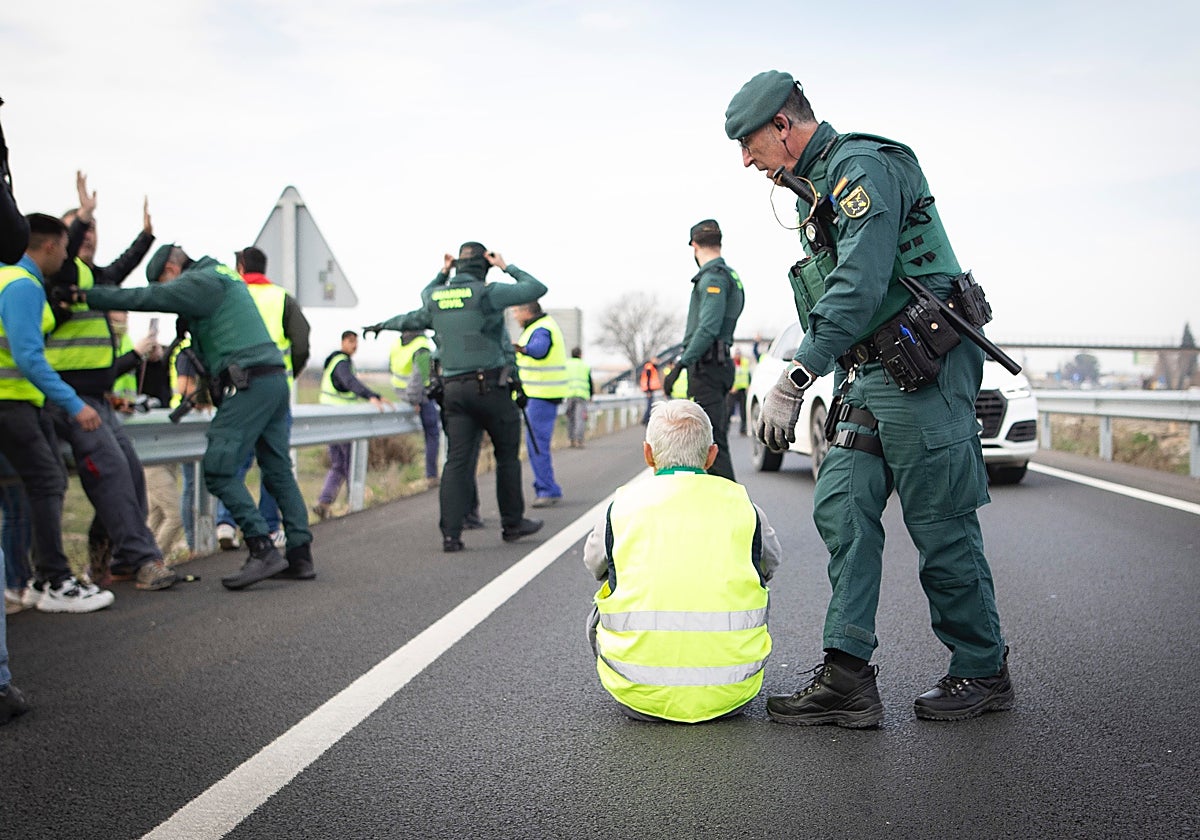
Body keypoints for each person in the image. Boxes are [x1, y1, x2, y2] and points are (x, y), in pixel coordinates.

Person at [726, 70, 1012, 724]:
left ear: (782, 126)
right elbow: (835, 301)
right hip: (868, 370)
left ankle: (982, 667)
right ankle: (847, 674)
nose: (745, 159)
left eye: (749, 143)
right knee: (842, 501)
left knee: (939, 520)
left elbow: (858, 283)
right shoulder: (810, 192)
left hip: (923, 363)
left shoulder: (863, 168)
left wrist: (796, 377)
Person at [82, 243, 318, 589]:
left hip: (248, 382)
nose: (168, 291)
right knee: (278, 469)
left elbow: (144, 298)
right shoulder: (222, 275)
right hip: (273, 380)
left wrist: (85, 296)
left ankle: (261, 546)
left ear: (171, 271)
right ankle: (300, 556)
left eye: (165, 283)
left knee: (218, 470)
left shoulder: (199, 282)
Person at [583, 400, 780, 723]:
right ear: (712, 455)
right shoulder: (745, 507)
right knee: (755, 581)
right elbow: (771, 565)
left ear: (648, 454)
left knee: (608, 588)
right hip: (733, 694)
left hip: (636, 694)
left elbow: (594, 565)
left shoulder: (620, 508)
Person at [365, 242, 546, 553]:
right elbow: (535, 288)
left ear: (456, 267)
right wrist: (505, 266)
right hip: (491, 388)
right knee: (506, 457)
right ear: (483, 265)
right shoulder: (487, 293)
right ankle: (512, 524)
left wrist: (440, 273)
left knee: (457, 462)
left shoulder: (435, 297)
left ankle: (451, 534)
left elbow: (411, 316)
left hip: (453, 393)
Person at [43, 174, 175, 591]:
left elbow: (121, 268)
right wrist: (82, 216)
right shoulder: (60, 278)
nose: (86, 238)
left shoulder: (92, 278)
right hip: (67, 395)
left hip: (96, 397)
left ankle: (117, 561)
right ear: (59, 242)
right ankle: (144, 560)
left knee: (132, 475)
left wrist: (146, 237)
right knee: (113, 474)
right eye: (77, 234)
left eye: (91, 232)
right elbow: (68, 257)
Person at [0, 213, 114, 612]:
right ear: (49, 246)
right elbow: (28, 357)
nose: (66, 255)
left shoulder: (7, 277)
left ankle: (27, 581)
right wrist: (73, 403)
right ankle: (55, 581)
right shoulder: (22, 285)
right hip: (11, 400)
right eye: (64, 247)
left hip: (18, 401)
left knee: (24, 490)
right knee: (48, 482)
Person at [214, 246, 311, 550]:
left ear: (241, 266)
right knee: (274, 462)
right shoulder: (282, 298)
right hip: (273, 391)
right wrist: (288, 375)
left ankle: (226, 523)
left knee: (235, 458)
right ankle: (269, 528)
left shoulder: (231, 297)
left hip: (238, 391)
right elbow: (301, 340)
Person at [661, 220, 745, 482]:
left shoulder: (713, 278)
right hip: (718, 365)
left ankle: (735, 511)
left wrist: (682, 364)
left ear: (694, 245)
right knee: (712, 440)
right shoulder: (730, 276)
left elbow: (708, 327)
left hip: (708, 368)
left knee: (709, 442)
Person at [313, 330, 391, 518]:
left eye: (356, 342)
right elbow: (349, 382)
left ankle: (324, 503)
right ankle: (354, 503)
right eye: (350, 341)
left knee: (339, 463)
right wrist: (371, 395)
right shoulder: (341, 362)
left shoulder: (334, 361)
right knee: (349, 461)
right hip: (340, 418)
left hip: (331, 415)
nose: (354, 345)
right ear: (343, 342)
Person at [512, 301, 567, 507]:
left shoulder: (541, 328)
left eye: (516, 311)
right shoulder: (539, 326)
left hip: (541, 395)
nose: (515, 315)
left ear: (527, 311)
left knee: (537, 445)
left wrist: (522, 349)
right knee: (537, 444)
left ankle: (547, 489)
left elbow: (539, 350)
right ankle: (547, 487)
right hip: (539, 395)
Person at [390, 329, 440, 486]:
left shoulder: (398, 343)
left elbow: (393, 368)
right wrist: (415, 400)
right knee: (433, 432)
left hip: (399, 392)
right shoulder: (421, 346)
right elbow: (419, 377)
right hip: (419, 397)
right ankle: (431, 475)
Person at [564, 347, 592, 448]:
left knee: (570, 418)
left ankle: (571, 440)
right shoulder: (585, 366)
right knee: (580, 418)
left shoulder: (566, 364)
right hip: (581, 395)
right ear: (580, 354)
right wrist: (591, 395)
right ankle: (579, 440)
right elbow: (590, 381)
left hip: (569, 395)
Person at [727, 347, 751, 436]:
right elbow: (728, 375)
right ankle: (726, 428)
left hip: (742, 390)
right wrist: (730, 387)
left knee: (743, 411)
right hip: (733, 390)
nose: (738, 356)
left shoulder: (745, 362)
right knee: (729, 410)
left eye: (739, 354)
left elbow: (747, 374)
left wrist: (748, 385)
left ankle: (743, 429)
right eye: (736, 354)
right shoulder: (730, 363)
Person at [638, 357, 661, 425]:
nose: (657, 361)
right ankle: (645, 419)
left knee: (650, 404)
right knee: (649, 405)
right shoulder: (649, 367)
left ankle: (646, 419)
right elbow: (648, 379)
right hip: (649, 390)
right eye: (655, 360)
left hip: (649, 389)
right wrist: (648, 391)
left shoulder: (651, 367)